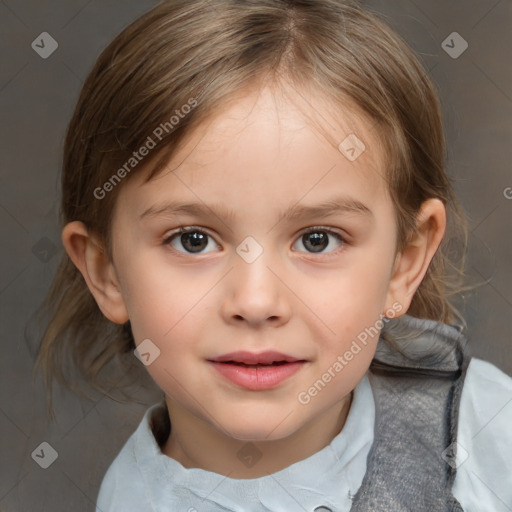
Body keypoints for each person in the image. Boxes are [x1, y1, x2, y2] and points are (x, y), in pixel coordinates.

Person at [35, 0, 512, 510]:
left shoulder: (485, 428)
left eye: (317, 240)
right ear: (106, 272)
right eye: (193, 240)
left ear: (404, 261)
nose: (257, 301)